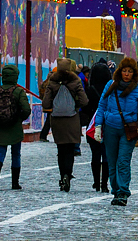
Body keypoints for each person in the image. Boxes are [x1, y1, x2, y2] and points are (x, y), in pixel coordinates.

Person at [91, 56, 138, 206]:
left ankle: (123, 192)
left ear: (134, 73)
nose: (126, 74)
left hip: (129, 130)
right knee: (112, 162)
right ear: (120, 71)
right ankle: (116, 191)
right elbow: (102, 106)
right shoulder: (111, 85)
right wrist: (98, 126)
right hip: (111, 128)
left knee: (123, 161)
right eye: (124, 71)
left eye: (130, 71)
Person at [42, 57, 89, 192]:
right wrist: (75, 105)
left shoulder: (53, 82)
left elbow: (45, 103)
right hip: (72, 118)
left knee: (61, 150)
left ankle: (62, 175)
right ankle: (68, 175)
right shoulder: (76, 81)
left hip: (57, 120)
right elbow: (84, 101)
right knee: (70, 149)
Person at [0, 64, 32, 191]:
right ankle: (15, 183)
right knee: (16, 154)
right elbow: (26, 109)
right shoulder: (18, 91)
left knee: (0, 153)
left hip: (0, 127)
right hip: (15, 127)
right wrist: (19, 118)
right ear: (15, 77)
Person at [82, 62, 110, 192]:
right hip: (108, 124)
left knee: (95, 154)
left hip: (93, 124)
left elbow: (85, 108)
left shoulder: (89, 89)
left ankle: (96, 183)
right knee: (106, 155)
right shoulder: (111, 89)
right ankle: (105, 184)